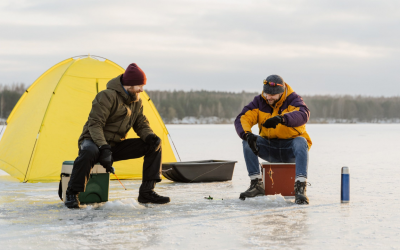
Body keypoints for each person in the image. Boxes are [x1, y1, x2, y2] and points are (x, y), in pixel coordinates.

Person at [65, 63, 170, 209]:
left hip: (114, 145)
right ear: (129, 85)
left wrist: (150, 136)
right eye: (139, 85)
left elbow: (140, 123)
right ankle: (72, 193)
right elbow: (95, 125)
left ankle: (147, 192)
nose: (141, 89)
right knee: (89, 151)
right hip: (93, 141)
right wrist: (103, 147)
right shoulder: (106, 96)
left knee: (153, 145)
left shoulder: (137, 101)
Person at [234, 75, 312, 204]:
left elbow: (303, 115)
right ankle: (256, 184)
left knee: (301, 141)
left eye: (272, 95)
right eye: (266, 93)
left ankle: (300, 188)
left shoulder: (293, 99)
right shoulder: (259, 101)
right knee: (247, 141)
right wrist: (247, 134)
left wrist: (282, 119)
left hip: (290, 149)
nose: (268, 97)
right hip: (270, 148)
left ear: (282, 93)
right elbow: (243, 118)